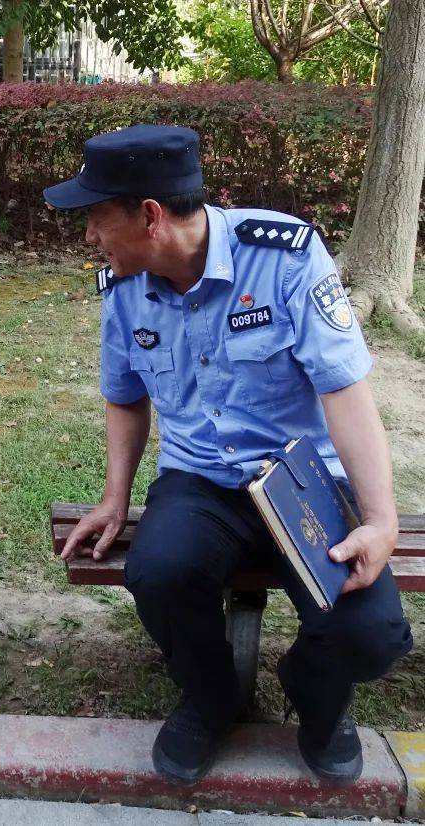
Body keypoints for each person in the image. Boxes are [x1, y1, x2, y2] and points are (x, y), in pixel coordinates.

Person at [49, 125, 412, 786]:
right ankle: (214, 697)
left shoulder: (286, 257)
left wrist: (380, 518)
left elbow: (344, 389)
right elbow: (125, 395)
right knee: (158, 573)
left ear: (151, 216)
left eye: (99, 218)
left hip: (302, 479)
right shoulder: (125, 286)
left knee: (373, 633)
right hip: (201, 481)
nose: (91, 236)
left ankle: (318, 698)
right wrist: (114, 497)